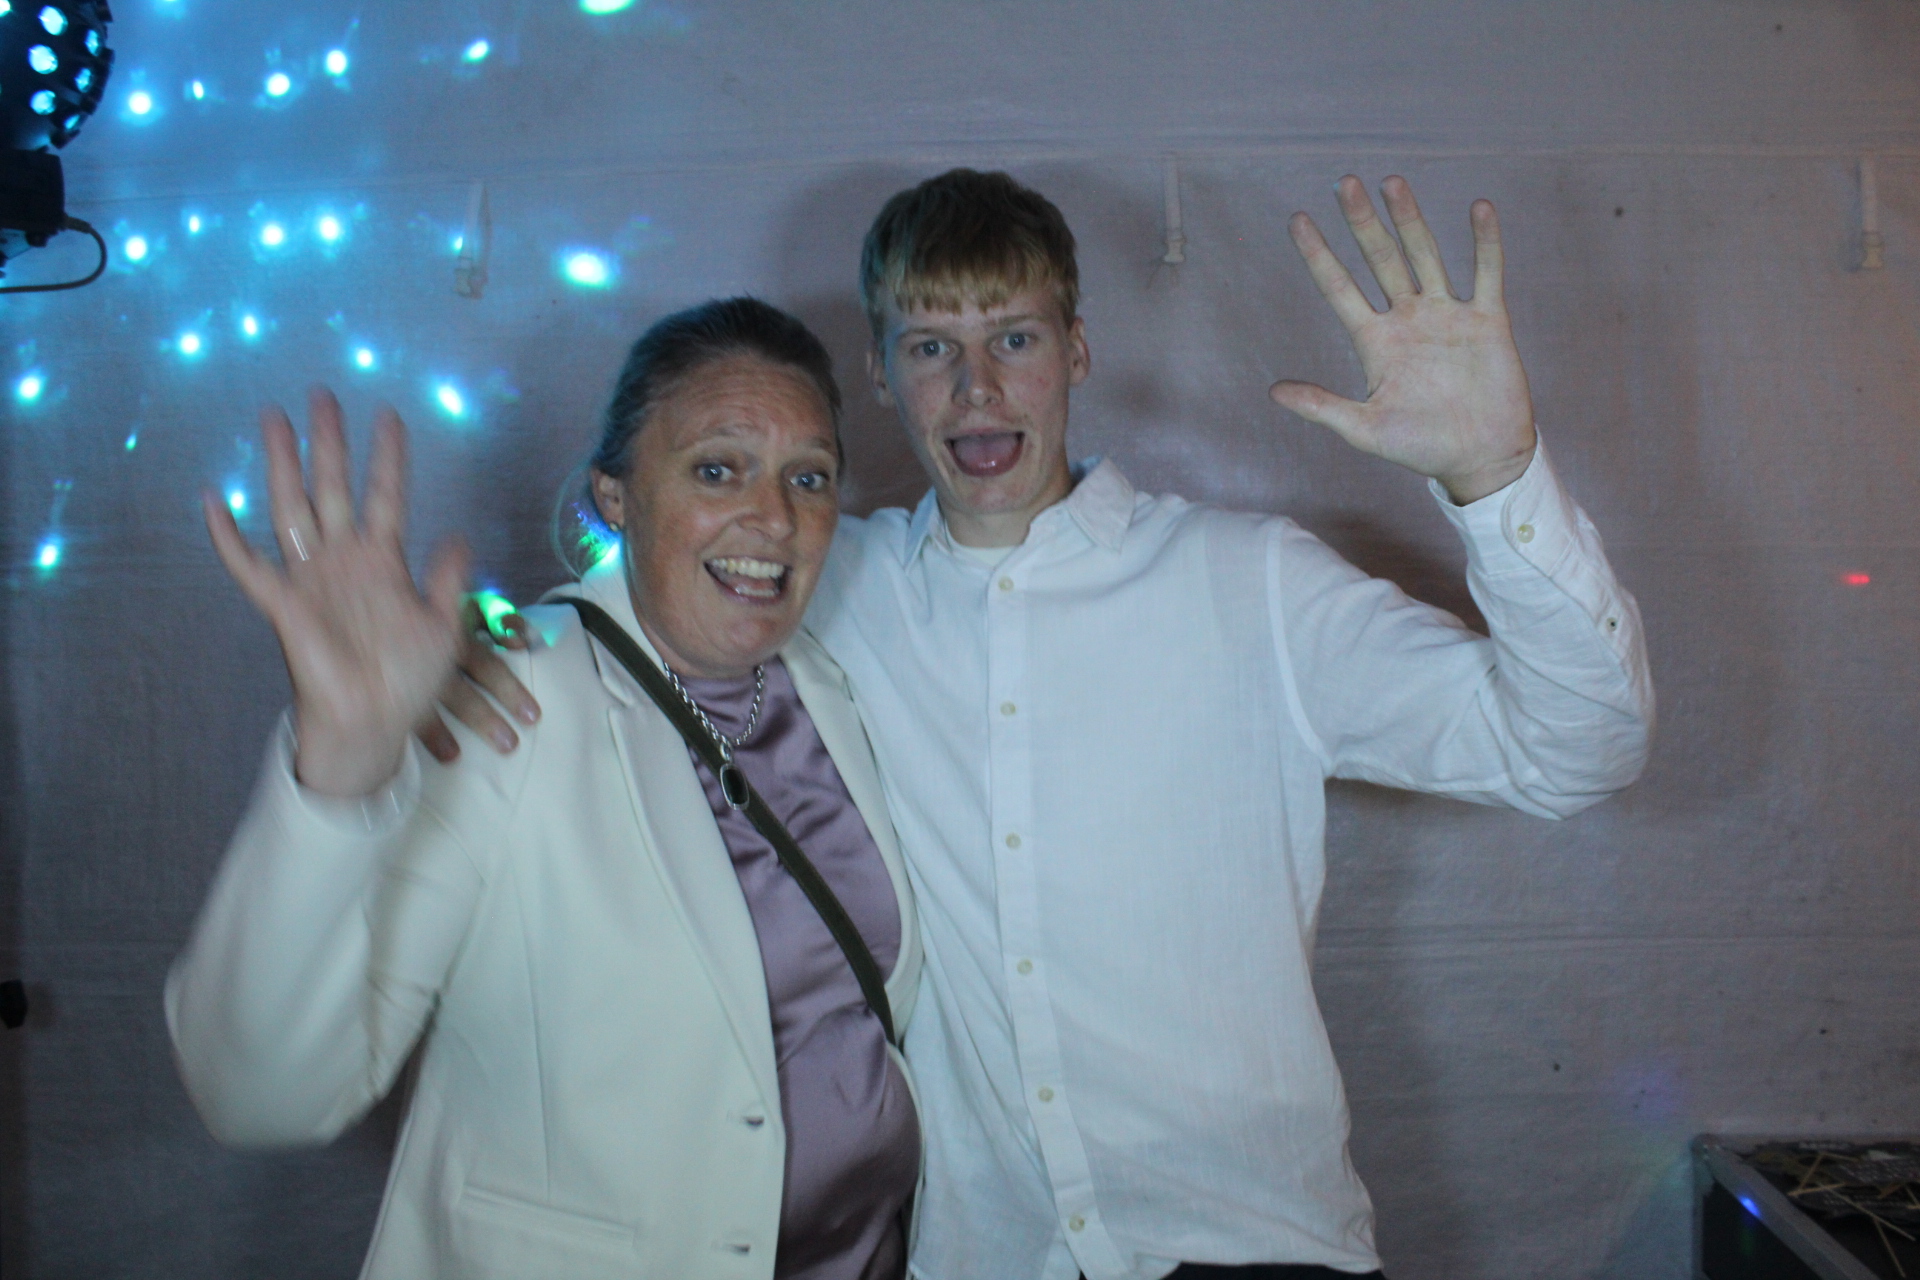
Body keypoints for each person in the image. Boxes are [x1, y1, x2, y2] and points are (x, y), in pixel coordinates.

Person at [439, 171, 1655, 1279]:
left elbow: (1573, 750)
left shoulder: (1252, 583)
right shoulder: (824, 585)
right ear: (882, 376)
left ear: (1076, 349)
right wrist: (481, 652)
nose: (977, 387)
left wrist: (1496, 478)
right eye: (933, 346)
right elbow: (645, 597)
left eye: (1013, 338)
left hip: (1254, 1249)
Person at [167, 298, 925, 1280]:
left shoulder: (834, 681)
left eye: (808, 477)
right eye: (717, 468)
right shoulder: (506, 697)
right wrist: (343, 764)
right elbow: (257, 1094)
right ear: (616, 495)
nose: (774, 517)